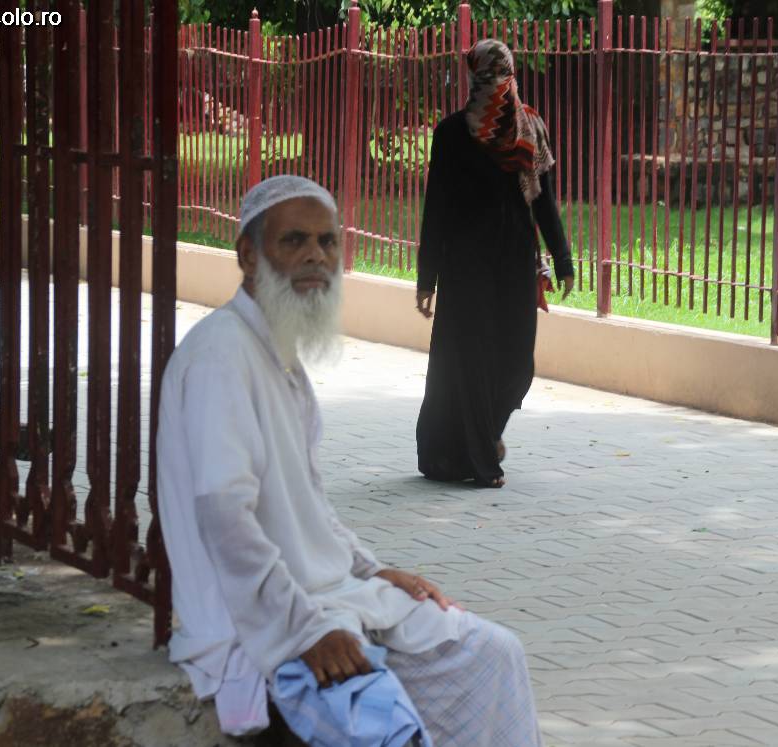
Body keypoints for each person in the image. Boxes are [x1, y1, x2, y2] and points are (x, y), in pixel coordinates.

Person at [156, 175, 544, 746]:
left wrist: (369, 569)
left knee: (493, 655)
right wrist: (302, 631)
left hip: (333, 595)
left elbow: (310, 505)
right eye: (294, 240)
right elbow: (224, 517)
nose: (316, 256)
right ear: (248, 255)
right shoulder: (221, 356)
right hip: (257, 621)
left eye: (327, 241)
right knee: (387, 729)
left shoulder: (279, 357)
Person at [415, 39, 575, 489]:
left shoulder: (530, 129)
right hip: (465, 268)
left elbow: (544, 203)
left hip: (515, 264)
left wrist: (562, 259)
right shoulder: (452, 134)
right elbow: (437, 206)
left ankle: (483, 437)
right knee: (471, 363)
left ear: (512, 75)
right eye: (487, 75)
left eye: (501, 74)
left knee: (516, 363)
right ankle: (479, 461)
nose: (495, 84)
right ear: (473, 78)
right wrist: (427, 278)